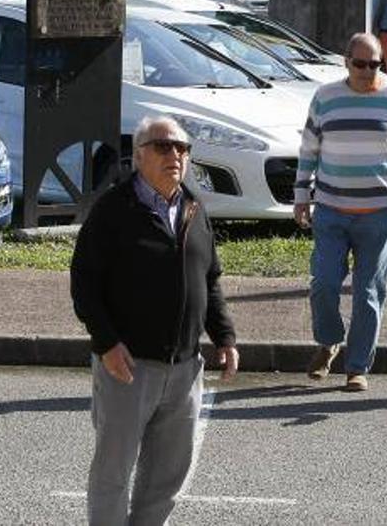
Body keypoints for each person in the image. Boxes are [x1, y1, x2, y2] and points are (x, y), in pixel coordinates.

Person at [70, 115, 239, 526]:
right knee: (113, 474)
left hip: (185, 368)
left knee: (167, 478)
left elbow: (209, 278)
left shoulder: (194, 207)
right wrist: (107, 344)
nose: (175, 155)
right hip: (128, 366)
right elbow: (84, 283)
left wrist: (225, 337)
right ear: (139, 155)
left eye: (182, 148)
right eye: (163, 146)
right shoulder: (113, 209)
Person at [294, 32, 387, 392]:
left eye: (375, 64)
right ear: (346, 62)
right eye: (360, 64)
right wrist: (301, 195)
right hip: (331, 209)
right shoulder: (325, 97)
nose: (367, 71)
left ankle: (357, 367)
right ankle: (328, 341)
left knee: (368, 292)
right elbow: (309, 149)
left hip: (377, 212)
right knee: (323, 285)